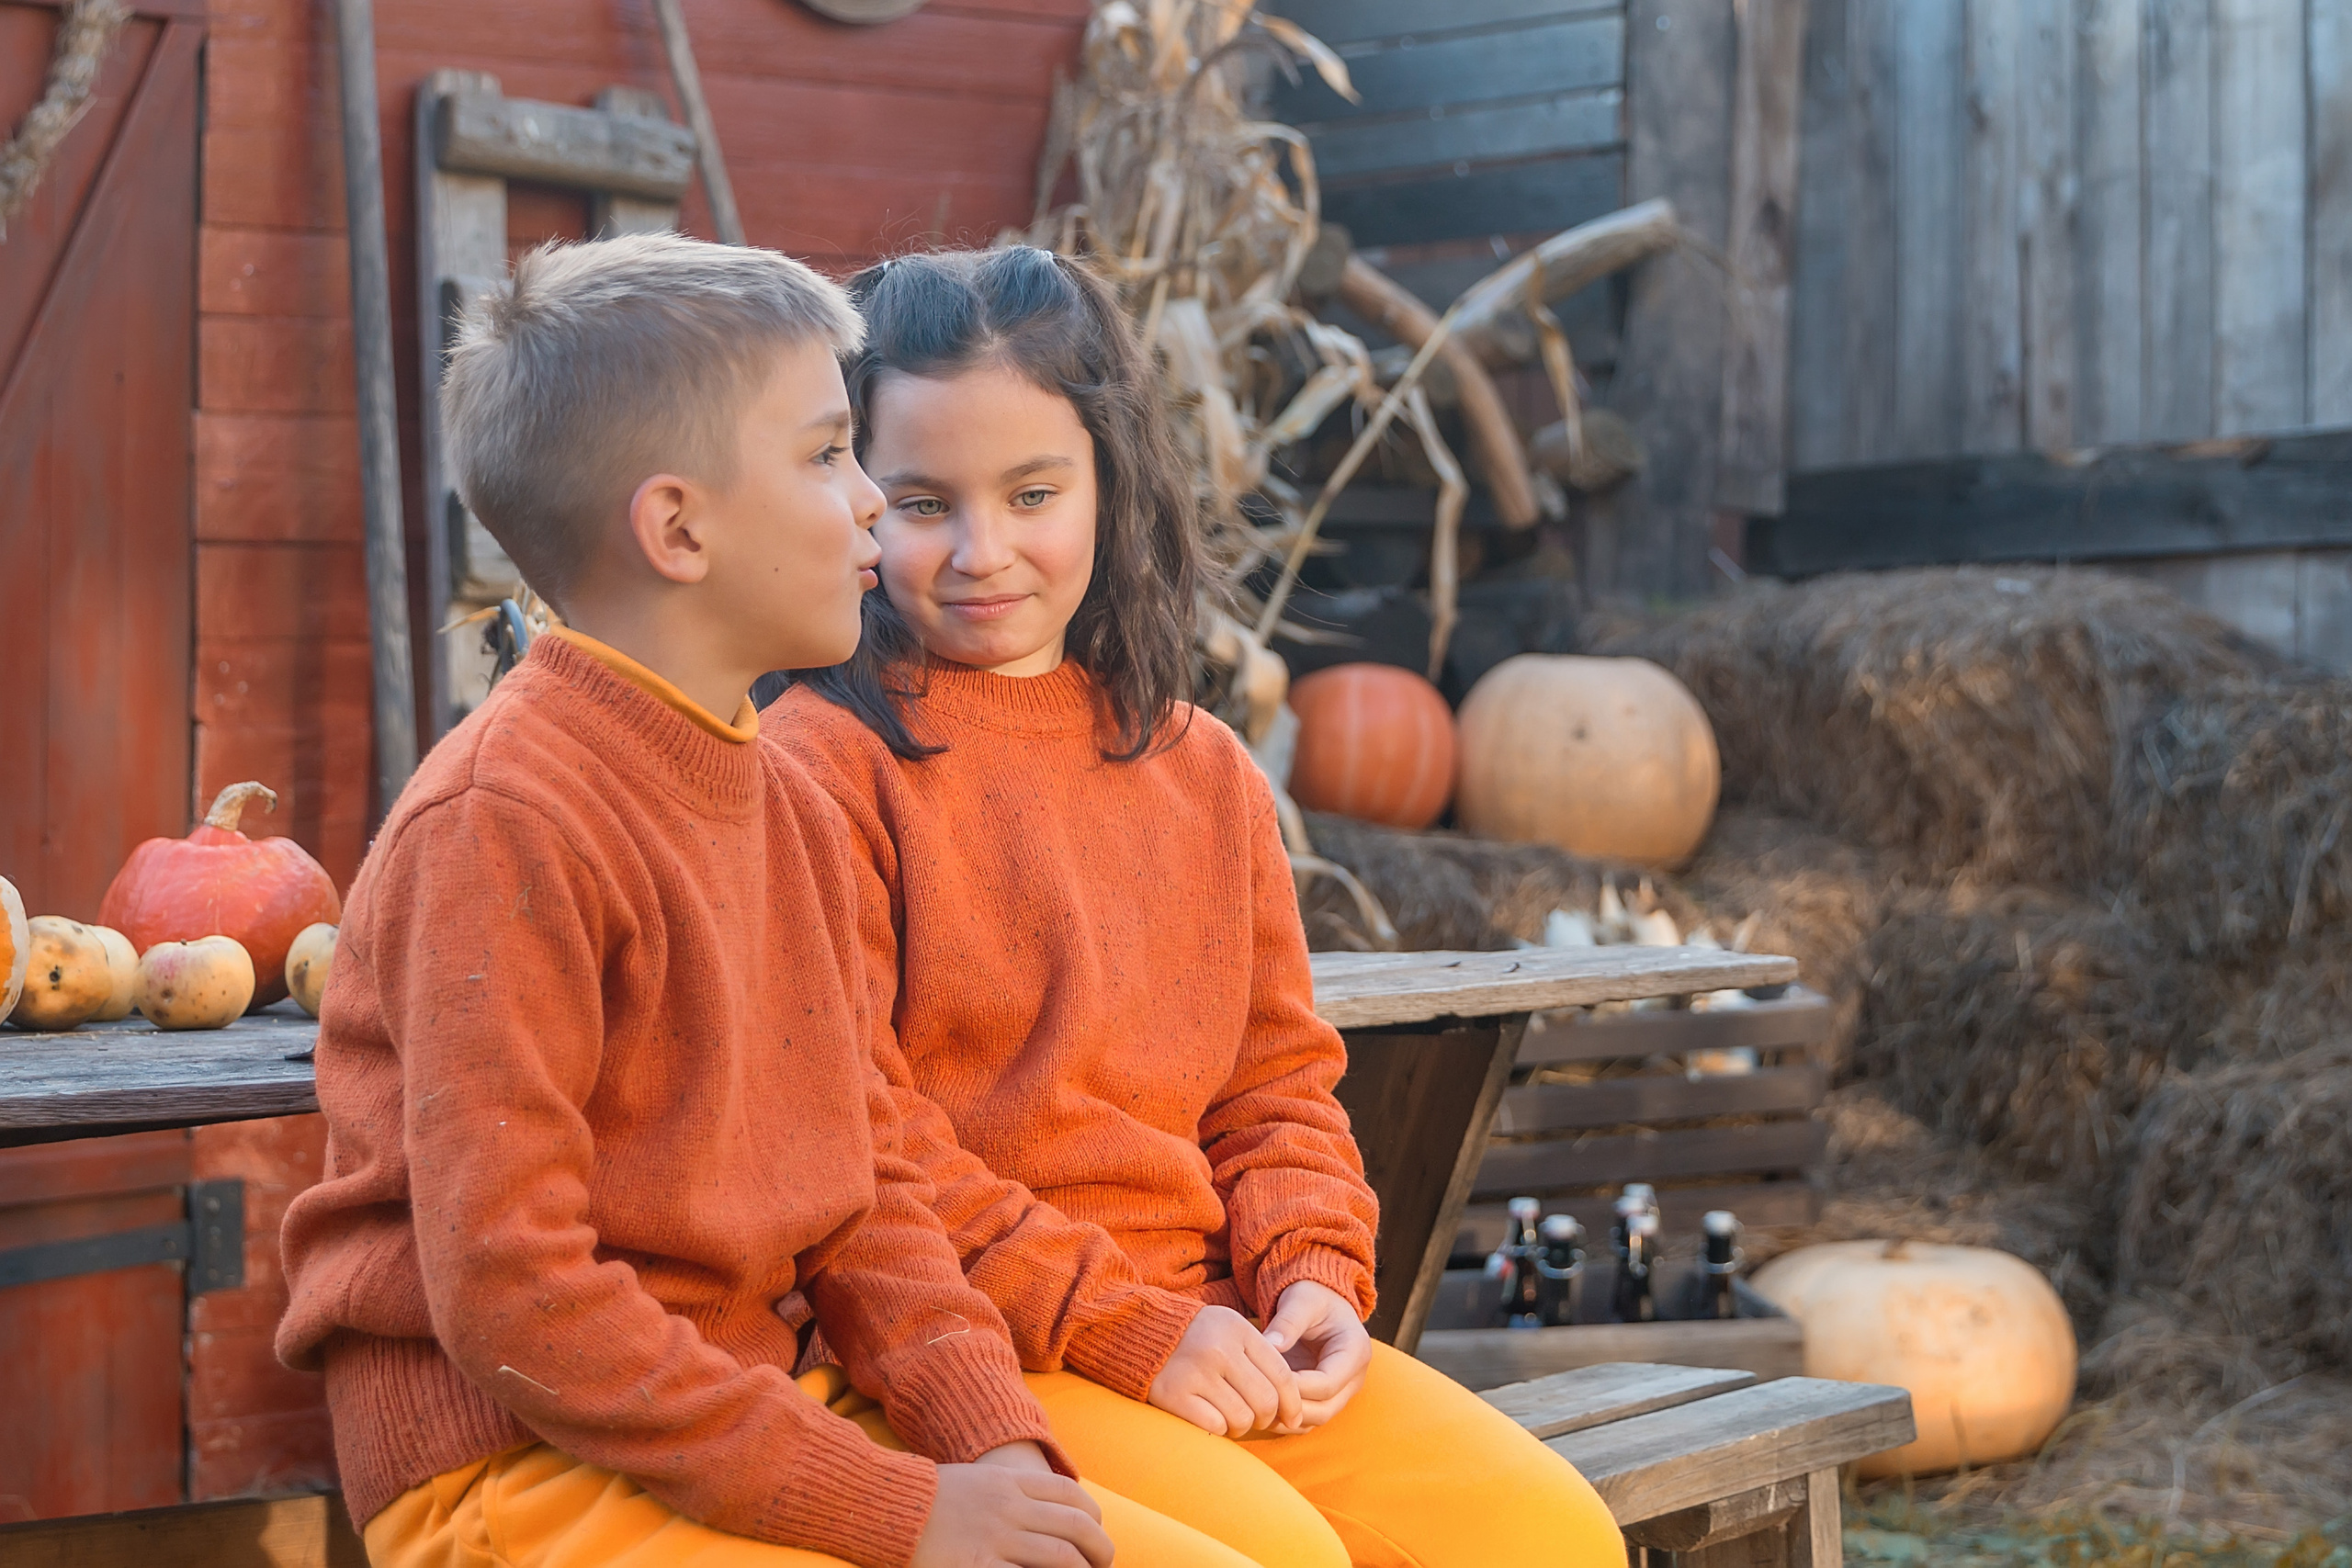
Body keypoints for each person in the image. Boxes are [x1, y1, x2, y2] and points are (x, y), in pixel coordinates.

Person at [277, 233, 1150, 1568]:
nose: (870, 500)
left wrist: (985, 1439)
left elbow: (864, 1198)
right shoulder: (505, 825)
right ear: (678, 528)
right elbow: (518, 1301)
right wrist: (899, 1509)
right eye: (823, 457)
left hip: (740, 1409)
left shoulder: (780, 797)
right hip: (514, 1459)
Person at [763, 245, 1627, 1568]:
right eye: (924, 502)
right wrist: (1132, 1329)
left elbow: (1275, 1085)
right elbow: (864, 1152)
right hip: (974, 1347)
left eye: (1034, 492)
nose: (982, 552)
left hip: (1222, 1319)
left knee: (1552, 1537)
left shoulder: (1200, 769)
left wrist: (1317, 1275)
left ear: (1112, 481)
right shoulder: (821, 767)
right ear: (855, 496)